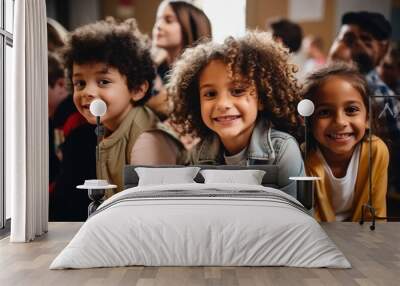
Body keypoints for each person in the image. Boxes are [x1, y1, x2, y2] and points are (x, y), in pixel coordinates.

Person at [168, 31, 305, 198]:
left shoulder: (283, 150)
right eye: (210, 94)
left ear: (261, 98)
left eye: (238, 91)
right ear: (197, 103)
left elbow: (295, 216)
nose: (223, 104)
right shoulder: (197, 154)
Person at [62, 18, 186, 197]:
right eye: (80, 83)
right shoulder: (106, 129)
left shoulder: (147, 142)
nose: (87, 92)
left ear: (137, 89)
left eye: (103, 82)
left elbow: (148, 210)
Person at [303, 63, 389, 222]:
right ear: (309, 121)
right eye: (325, 112)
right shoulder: (303, 158)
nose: (340, 122)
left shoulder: (376, 151)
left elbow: (376, 217)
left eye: (351, 110)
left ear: (367, 118)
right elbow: (308, 221)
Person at [147, 0, 212, 119]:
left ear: (189, 27)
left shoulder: (203, 74)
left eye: (168, 20)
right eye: (158, 19)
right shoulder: (150, 69)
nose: (158, 26)